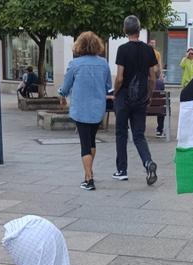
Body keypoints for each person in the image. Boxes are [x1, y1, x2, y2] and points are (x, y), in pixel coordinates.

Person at [58, 32, 111, 191]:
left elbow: (66, 86)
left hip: (80, 109)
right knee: (92, 140)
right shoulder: (103, 63)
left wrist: (61, 94)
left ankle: (89, 179)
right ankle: (89, 171)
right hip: (97, 109)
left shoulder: (74, 64)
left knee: (84, 144)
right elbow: (108, 86)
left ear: (79, 45)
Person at [113, 15, 159, 185]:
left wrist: (116, 92)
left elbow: (119, 78)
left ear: (125, 30)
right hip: (141, 96)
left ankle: (122, 170)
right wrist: (149, 94)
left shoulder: (122, 49)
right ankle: (148, 162)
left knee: (121, 133)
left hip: (124, 96)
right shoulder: (149, 50)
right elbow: (153, 77)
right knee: (139, 134)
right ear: (139, 30)